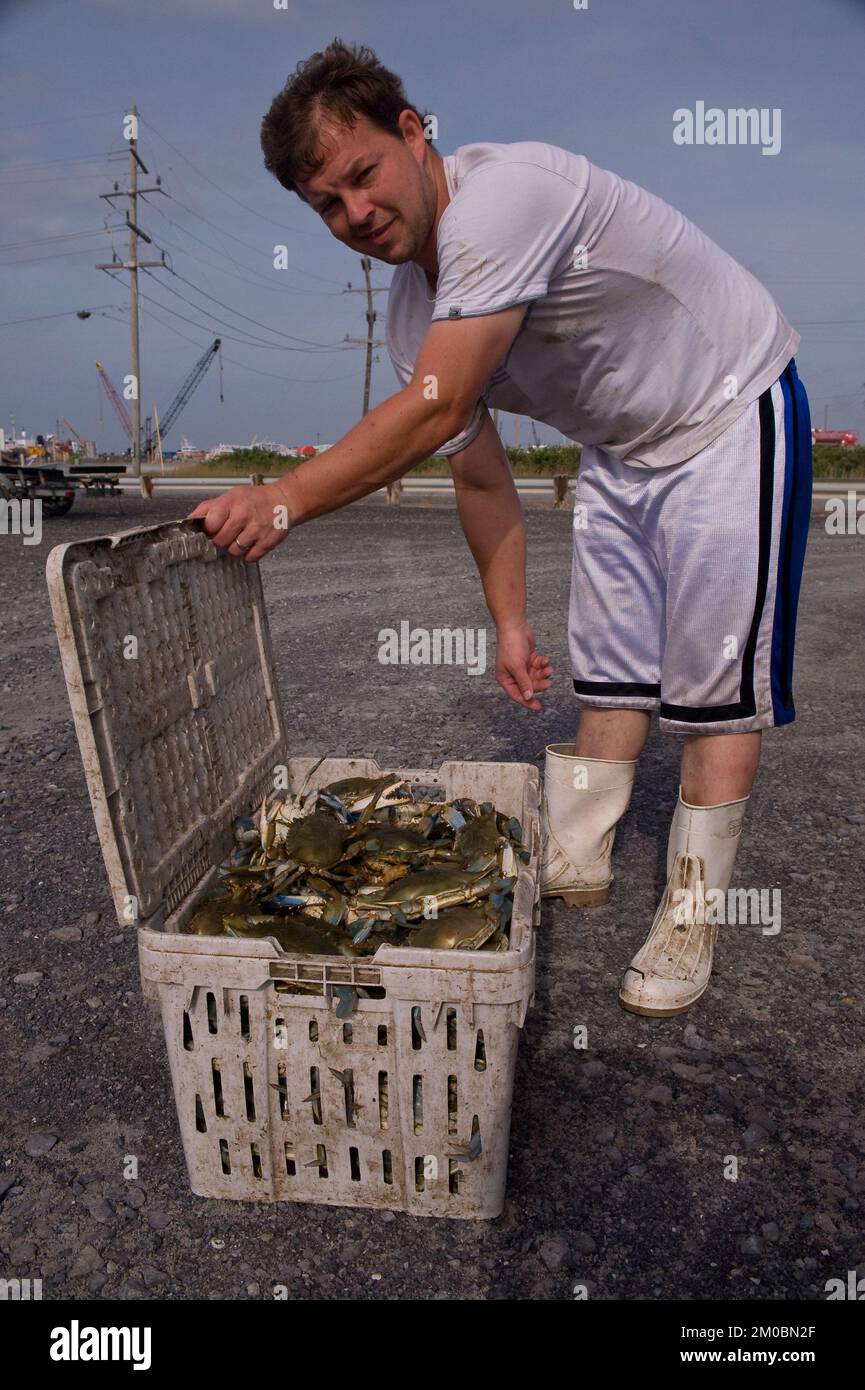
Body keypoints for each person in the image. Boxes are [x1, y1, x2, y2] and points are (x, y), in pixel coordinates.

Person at [188, 38, 812, 1017]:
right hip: (618, 448)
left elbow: (434, 412)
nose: (355, 213)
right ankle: (576, 855)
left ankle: (690, 914)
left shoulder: (502, 199)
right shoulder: (409, 319)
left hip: (726, 409)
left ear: (412, 133)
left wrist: (282, 498)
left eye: (362, 176)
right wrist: (508, 619)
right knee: (606, 663)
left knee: (710, 687)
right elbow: (477, 476)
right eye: (326, 205)